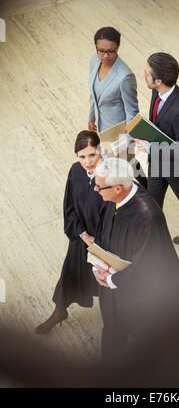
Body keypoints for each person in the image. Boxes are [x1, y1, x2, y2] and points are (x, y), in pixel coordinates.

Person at [92, 157, 179, 364]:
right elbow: (103, 230)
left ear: (118, 188)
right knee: (112, 327)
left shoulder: (148, 216)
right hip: (112, 283)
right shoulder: (114, 199)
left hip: (140, 292)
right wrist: (98, 262)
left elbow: (146, 263)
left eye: (99, 187)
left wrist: (112, 280)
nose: (95, 190)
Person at [133, 52, 179, 245]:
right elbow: (158, 122)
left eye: (147, 73)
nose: (144, 75)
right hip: (158, 160)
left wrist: (149, 147)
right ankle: (150, 235)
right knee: (153, 198)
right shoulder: (156, 90)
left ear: (158, 80)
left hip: (176, 166)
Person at [35, 131, 105, 334]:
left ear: (100, 151)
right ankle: (59, 311)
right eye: (82, 156)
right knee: (70, 274)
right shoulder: (76, 172)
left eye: (92, 155)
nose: (87, 162)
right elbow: (69, 207)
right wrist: (83, 234)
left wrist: (98, 241)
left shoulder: (110, 175)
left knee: (110, 284)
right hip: (81, 236)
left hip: (106, 241)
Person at [88, 26, 146, 188]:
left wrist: (127, 141)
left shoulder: (125, 76)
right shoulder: (95, 60)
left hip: (119, 131)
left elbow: (132, 112)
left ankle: (135, 195)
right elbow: (93, 93)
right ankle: (150, 189)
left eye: (110, 51)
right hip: (102, 126)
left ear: (117, 48)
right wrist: (91, 117)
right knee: (130, 164)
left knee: (117, 168)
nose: (105, 56)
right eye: (101, 51)